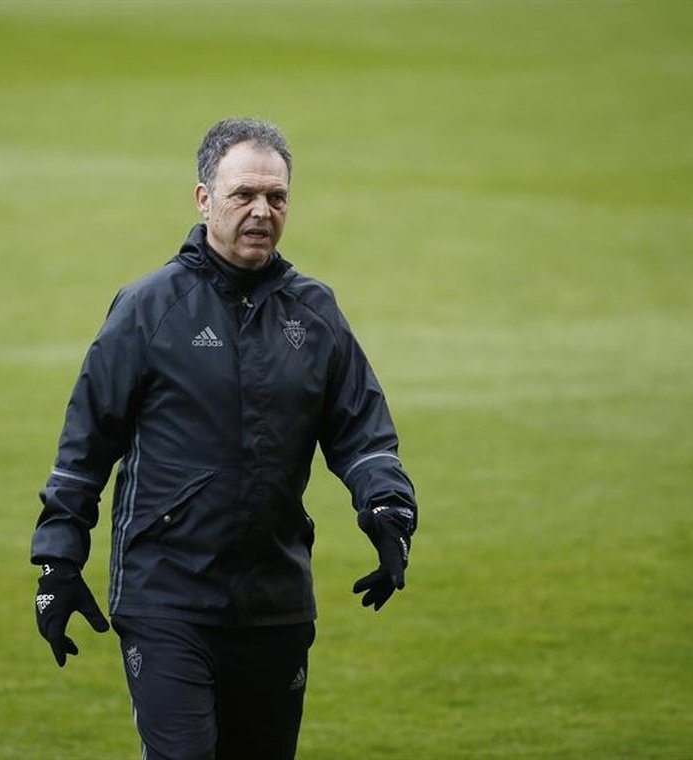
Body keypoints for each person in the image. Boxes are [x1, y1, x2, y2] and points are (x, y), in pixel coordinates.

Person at [31, 118, 418, 760]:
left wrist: (388, 509)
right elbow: (85, 447)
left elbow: (362, 433)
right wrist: (57, 560)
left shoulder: (314, 313)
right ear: (204, 199)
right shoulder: (149, 310)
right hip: (168, 598)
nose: (262, 212)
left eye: (277, 197)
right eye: (244, 195)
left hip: (275, 601)